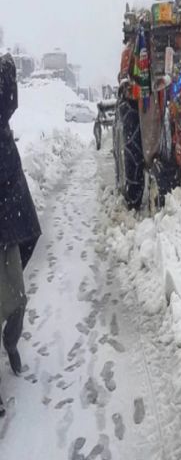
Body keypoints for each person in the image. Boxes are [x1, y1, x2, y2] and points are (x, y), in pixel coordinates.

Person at [0, 53, 41, 415]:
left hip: (6, 216)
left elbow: (8, 93)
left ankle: (11, 342)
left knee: (16, 297)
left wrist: (8, 63)